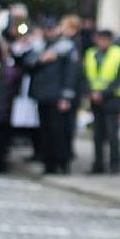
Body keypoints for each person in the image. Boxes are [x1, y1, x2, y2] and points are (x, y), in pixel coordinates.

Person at [24, 18, 81, 174]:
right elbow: (27, 64)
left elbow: (71, 73)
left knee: (59, 132)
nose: (49, 32)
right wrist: (42, 59)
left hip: (57, 96)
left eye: (52, 28)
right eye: (46, 29)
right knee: (45, 131)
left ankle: (62, 163)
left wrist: (66, 96)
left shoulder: (66, 47)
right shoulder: (39, 47)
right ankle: (48, 163)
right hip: (42, 95)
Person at [84, 29, 120, 174]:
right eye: (100, 39)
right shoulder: (91, 53)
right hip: (95, 99)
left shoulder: (119, 53)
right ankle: (98, 164)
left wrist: (103, 93)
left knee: (112, 134)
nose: (102, 42)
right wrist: (91, 92)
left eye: (105, 40)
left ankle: (115, 164)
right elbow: (86, 75)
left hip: (112, 99)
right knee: (97, 134)